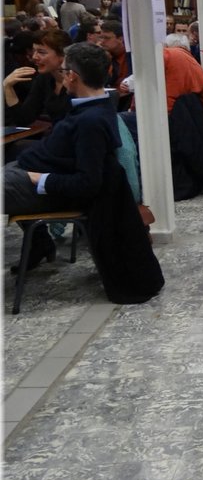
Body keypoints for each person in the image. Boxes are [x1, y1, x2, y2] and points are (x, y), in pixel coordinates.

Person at [3, 42, 164, 301]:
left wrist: (40, 179)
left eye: (64, 70)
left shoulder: (91, 121)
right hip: (27, 172)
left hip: (37, 182)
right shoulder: (93, 106)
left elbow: (88, 183)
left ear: (72, 76)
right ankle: (40, 243)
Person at [3, 28, 73, 127]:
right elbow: (23, 119)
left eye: (41, 52)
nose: (34, 57)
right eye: (34, 51)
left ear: (62, 54)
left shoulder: (78, 79)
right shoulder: (44, 79)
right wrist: (8, 87)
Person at [97, 19, 133, 110]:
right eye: (101, 38)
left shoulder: (132, 56)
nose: (102, 42)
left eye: (107, 38)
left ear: (120, 39)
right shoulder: (101, 55)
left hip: (127, 102)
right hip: (106, 101)